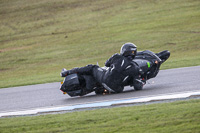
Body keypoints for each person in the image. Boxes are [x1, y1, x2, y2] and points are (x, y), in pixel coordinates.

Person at [61, 43, 143, 93]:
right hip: (117, 89)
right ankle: (99, 89)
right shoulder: (135, 67)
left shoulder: (116, 56)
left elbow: (106, 64)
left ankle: (67, 72)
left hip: (105, 80)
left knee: (93, 67)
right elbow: (137, 86)